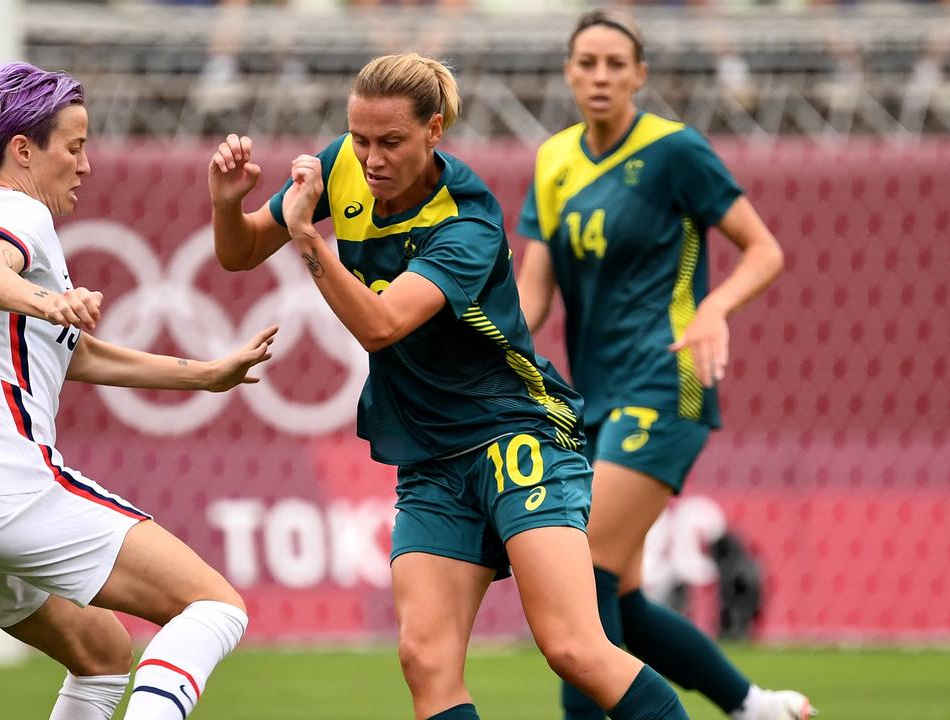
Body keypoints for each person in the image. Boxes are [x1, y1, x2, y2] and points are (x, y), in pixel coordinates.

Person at [210, 52, 690, 720]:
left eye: (391, 142)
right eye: (359, 138)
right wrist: (226, 205)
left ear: (434, 131)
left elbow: (380, 326)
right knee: (425, 661)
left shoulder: (467, 221)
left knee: (575, 647)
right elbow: (236, 253)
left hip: (516, 439)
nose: (370, 158)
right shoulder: (345, 163)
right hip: (432, 459)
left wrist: (307, 241)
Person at [0, 61, 278, 720]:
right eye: (74, 147)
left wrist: (204, 374)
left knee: (101, 651)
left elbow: (78, 357)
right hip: (4, 492)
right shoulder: (16, 211)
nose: (87, 164)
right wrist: (49, 302)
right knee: (213, 605)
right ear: (23, 151)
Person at [515, 10, 809, 720]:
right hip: (590, 396)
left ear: (640, 76)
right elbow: (532, 292)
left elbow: (763, 249)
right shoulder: (553, 160)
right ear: (568, 71)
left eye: (617, 63)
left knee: (580, 576)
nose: (601, 75)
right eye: (587, 62)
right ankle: (753, 706)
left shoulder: (676, 151)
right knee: (619, 598)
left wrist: (715, 308)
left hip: (668, 377)